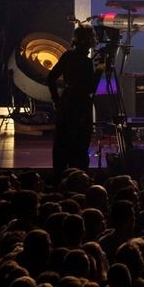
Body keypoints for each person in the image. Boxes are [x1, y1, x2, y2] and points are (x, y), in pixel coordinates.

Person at [46, 26, 105, 175]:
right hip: (81, 106)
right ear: (87, 40)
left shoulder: (67, 56)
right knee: (79, 144)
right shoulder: (85, 62)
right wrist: (99, 70)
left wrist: (56, 99)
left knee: (62, 143)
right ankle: (77, 178)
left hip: (66, 102)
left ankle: (59, 178)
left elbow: (50, 78)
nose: (96, 39)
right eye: (94, 37)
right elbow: (91, 88)